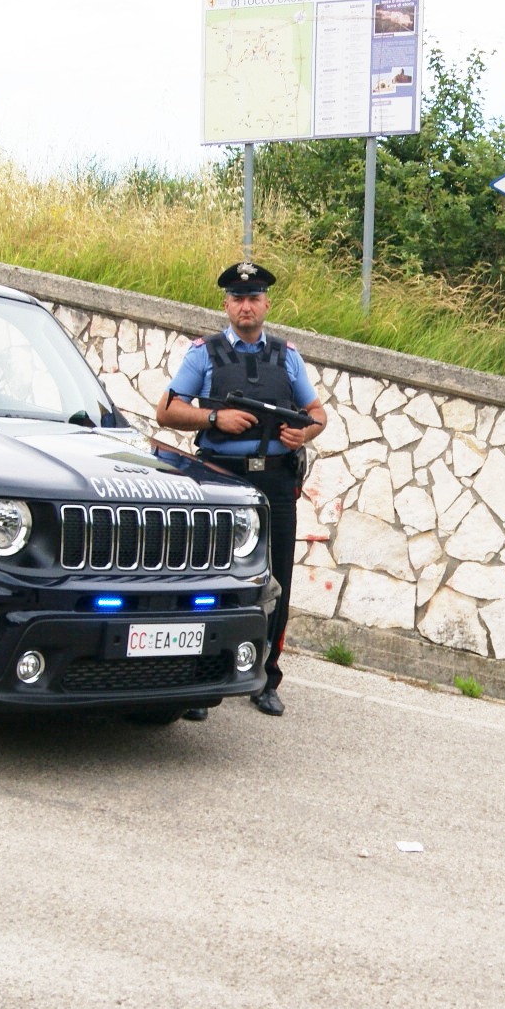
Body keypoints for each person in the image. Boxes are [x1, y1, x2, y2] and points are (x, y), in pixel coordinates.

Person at [155, 261, 327, 718]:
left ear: (266, 304)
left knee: (278, 579)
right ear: (226, 304)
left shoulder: (286, 355)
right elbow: (167, 411)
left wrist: (302, 435)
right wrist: (215, 418)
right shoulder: (203, 354)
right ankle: (196, 681)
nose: (245, 305)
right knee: (204, 577)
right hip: (220, 476)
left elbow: (317, 413)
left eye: (253, 298)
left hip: (275, 477)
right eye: (237, 298)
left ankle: (267, 678)